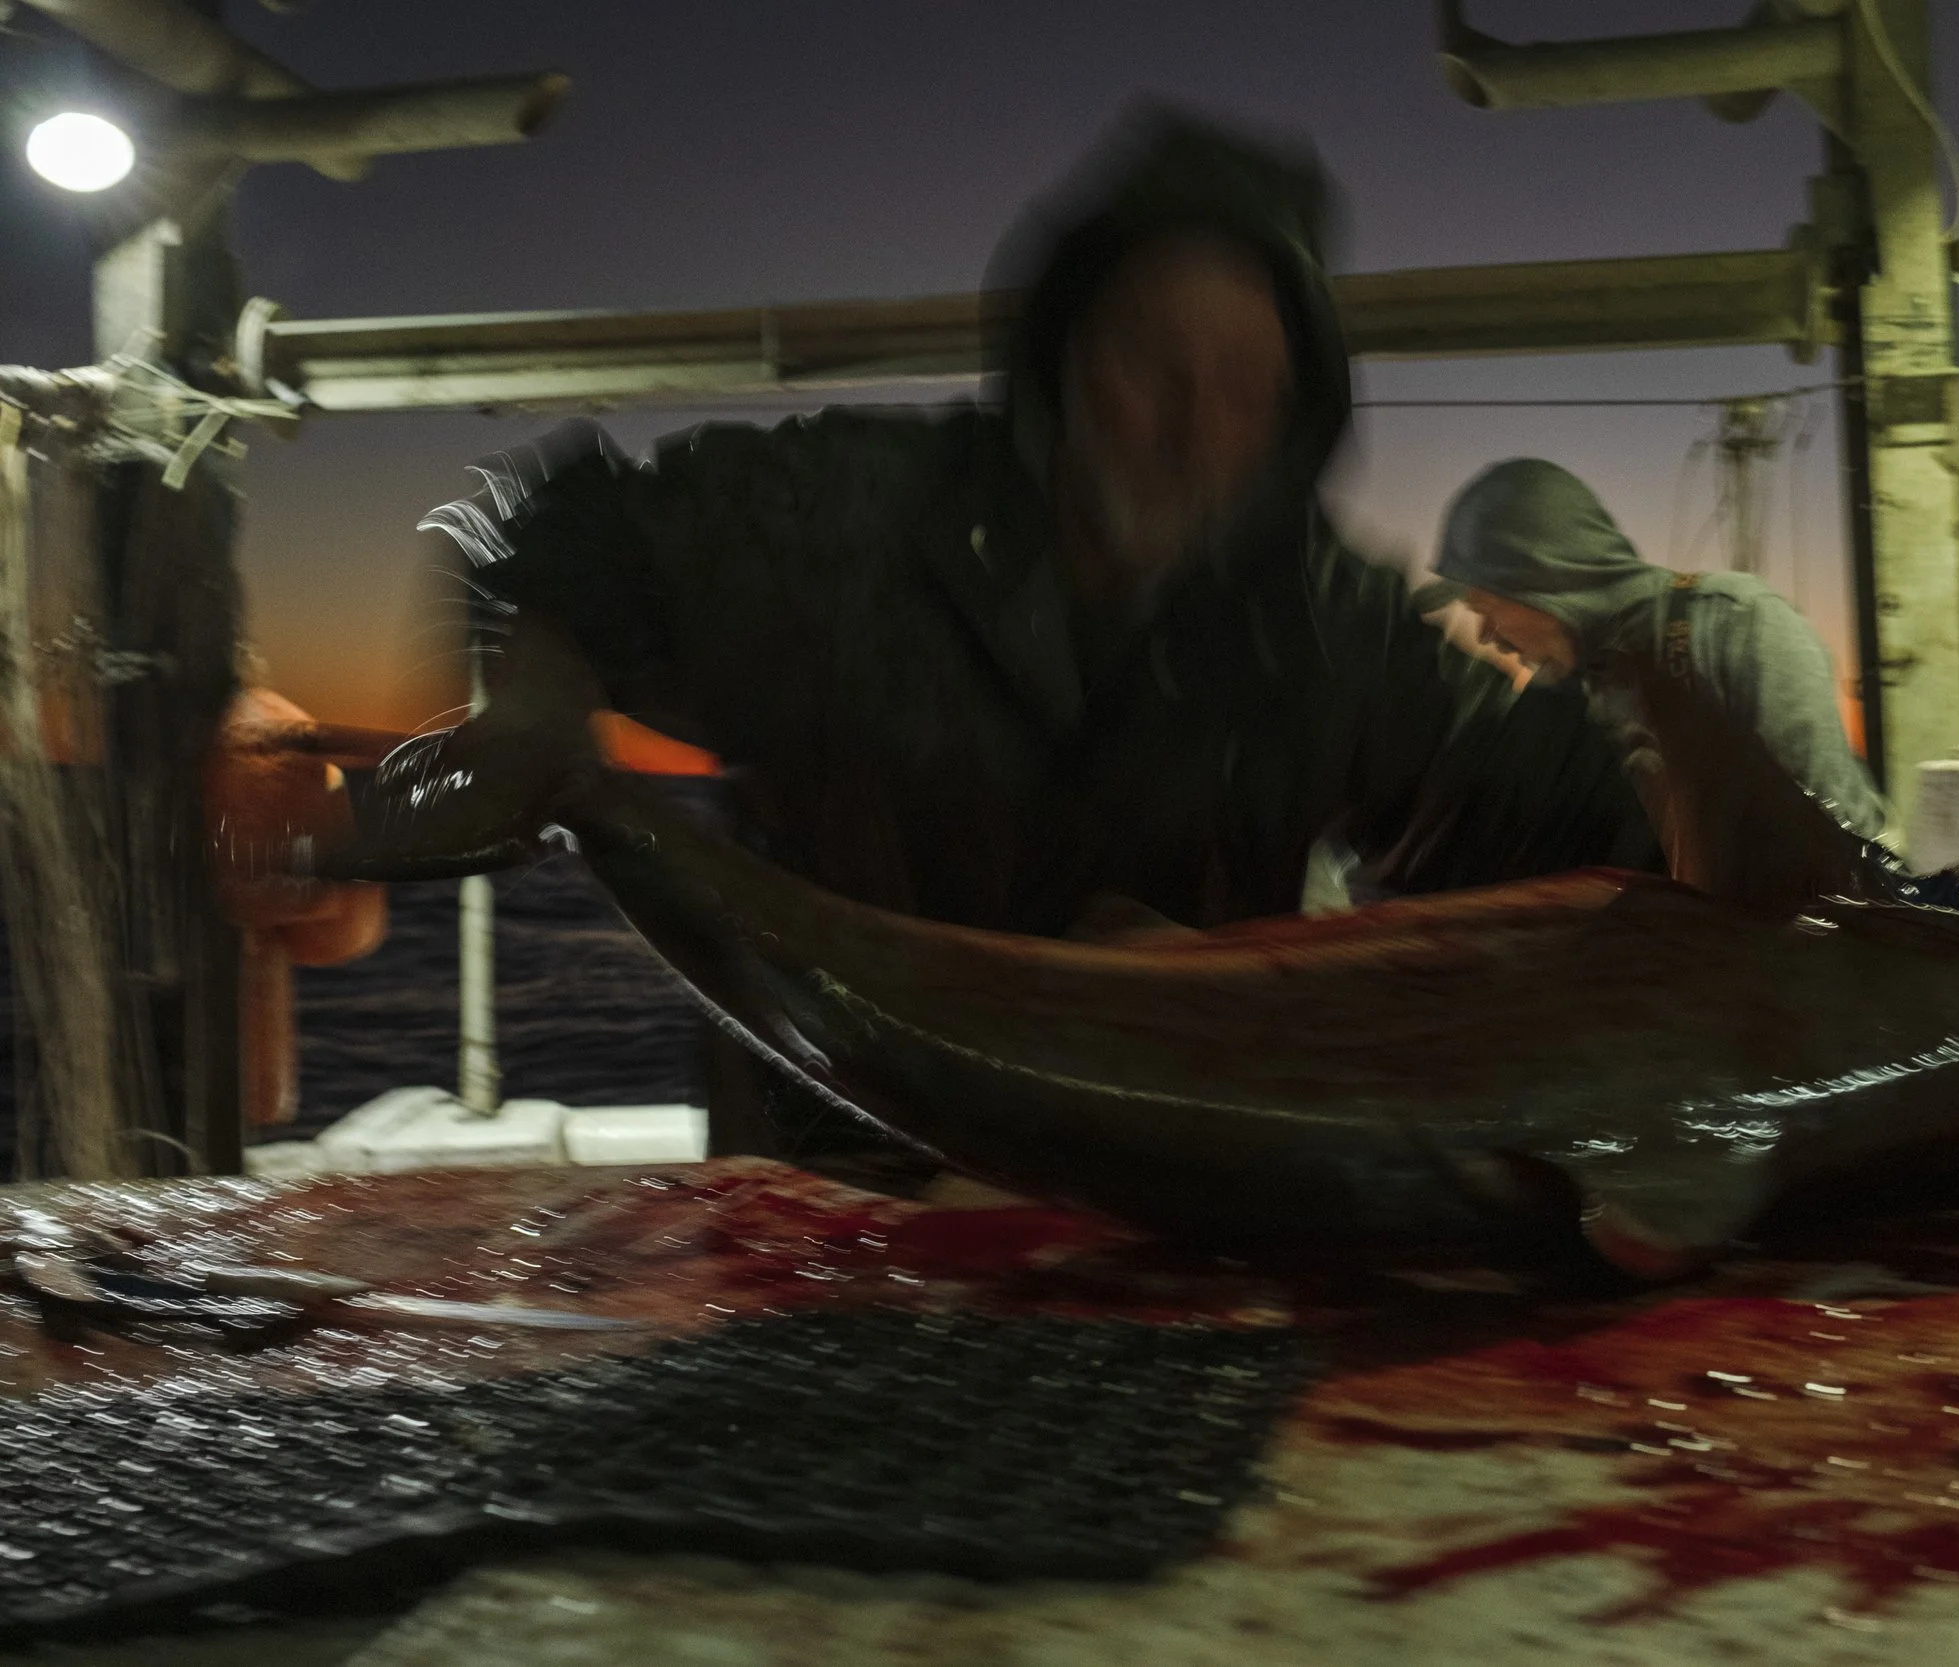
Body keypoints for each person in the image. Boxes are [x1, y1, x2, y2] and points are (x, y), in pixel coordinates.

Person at [420, 108, 1660, 1156]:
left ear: (1290, 418)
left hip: (1174, 1215)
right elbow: (530, 527)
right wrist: (530, 720)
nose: (1190, 427)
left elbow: (1577, 820)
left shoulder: (1325, 624)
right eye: (1152, 364)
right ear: (1061, 358)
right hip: (828, 1211)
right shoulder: (838, 515)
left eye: (1243, 391)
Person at [1426, 458, 1893, 844]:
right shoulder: (1559, 694)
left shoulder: (1736, 626)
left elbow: (1838, 842)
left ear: (1543, 582)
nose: (1486, 635)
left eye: (1486, 608)